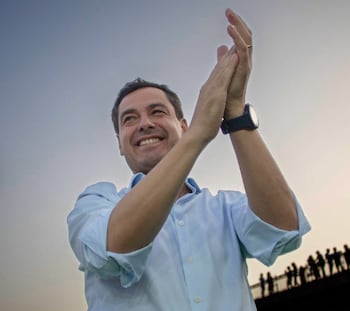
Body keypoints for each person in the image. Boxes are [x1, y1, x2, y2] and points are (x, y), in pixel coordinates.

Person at [67, 8, 310, 311]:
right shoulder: (97, 202)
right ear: (120, 143)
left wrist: (234, 112)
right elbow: (112, 248)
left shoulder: (223, 207)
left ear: (180, 126)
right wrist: (198, 136)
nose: (144, 124)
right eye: (129, 119)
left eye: (157, 112)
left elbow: (283, 229)